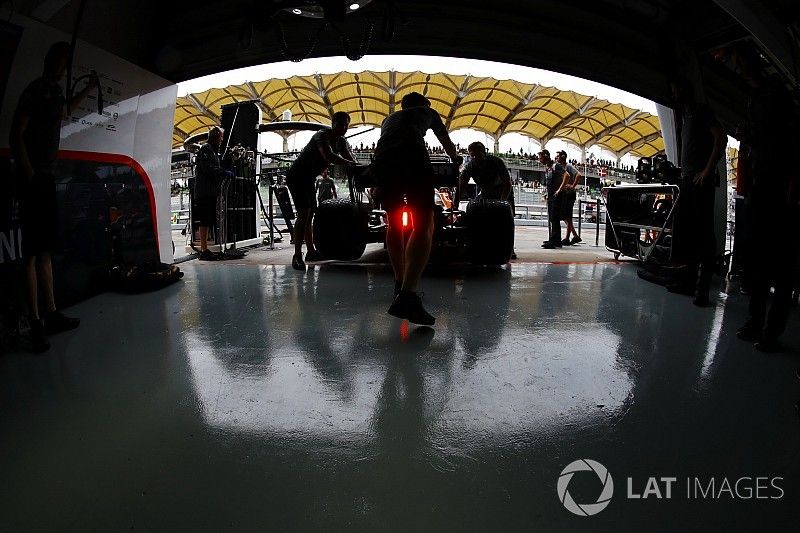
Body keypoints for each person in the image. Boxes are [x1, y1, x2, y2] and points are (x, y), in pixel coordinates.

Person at [9, 41, 98, 352]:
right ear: (51, 61)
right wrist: (29, 173)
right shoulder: (35, 91)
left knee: (45, 251)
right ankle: (34, 323)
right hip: (34, 180)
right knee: (32, 254)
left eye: (66, 62)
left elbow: (66, 111)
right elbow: (16, 134)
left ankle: (50, 313)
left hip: (46, 179)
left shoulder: (55, 93)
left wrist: (88, 89)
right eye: (61, 60)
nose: (63, 67)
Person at [730, 45, 800, 351]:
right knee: (759, 262)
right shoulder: (756, 99)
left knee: (779, 266)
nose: (740, 71)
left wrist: (792, 188)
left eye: (741, 64)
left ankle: (768, 330)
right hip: (763, 187)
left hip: (779, 188)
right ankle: (759, 324)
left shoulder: (777, 98)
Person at [373, 91, 462, 325]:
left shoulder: (388, 119)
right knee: (424, 222)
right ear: (423, 104)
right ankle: (408, 296)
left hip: (383, 162)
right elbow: (444, 140)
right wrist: (455, 158)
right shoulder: (427, 112)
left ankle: (399, 283)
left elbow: (383, 145)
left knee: (393, 221)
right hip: (412, 158)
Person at [668, 76, 726, 307]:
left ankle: (702, 289)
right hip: (688, 180)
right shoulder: (685, 115)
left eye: (675, 90)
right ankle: (689, 283)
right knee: (689, 233)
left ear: (684, 89)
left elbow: (721, 137)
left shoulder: (701, 111)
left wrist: (707, 170)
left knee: (703, 235)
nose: (673, 96)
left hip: (699, 181)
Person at [286, 111, 356, 270]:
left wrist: (357, 167)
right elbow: (329, 156)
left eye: (346, 125)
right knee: (304, 213)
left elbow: (350, 158)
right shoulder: (321, 135)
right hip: (297, 176)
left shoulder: (341, 142)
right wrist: (350, 164)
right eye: (341, 124)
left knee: (310, 214)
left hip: (309, 177)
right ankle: (297, 255)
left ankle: (311, 251)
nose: (344, 128)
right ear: (333, 124)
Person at [459, 141, 517, 258]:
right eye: (472, 155)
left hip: (503, 191)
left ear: (484, 153)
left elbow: (508, 183)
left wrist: (502, 202)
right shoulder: (470, 166)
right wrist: (455, 204)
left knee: (506, 220)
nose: (475, 158)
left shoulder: (496, 162)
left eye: (478, 155)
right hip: (485, 192)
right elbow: (461, 185)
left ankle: (510, 249)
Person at [193, 126, 232, 261]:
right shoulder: (206, 149)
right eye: (221, 137)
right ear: (216, 137)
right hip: (204, 192)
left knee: (209, 219)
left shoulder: (214, 152)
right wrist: (222, 172)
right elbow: (208, 168)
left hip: (210, 191)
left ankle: (206, 248)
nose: (222, 140)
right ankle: (204, 249)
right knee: (204, 219)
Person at [540, 149, 568, 249]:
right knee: (553, 219)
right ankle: (556, 240)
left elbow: (566, 175)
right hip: (551, 196)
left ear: (546, 156)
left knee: (554, 218)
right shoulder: (548, 168)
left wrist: (559, 189)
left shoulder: (555, 166)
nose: (539, 159)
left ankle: (553, 241)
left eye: (541, 157)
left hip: (557, 196)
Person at [556, 150, 582, 245]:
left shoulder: (568, 166)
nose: (556, 158)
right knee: (565, 216)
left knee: (567, 216)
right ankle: (575, 236)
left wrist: (572, 185)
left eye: (558, 156)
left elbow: (578, 175)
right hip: (565, 193)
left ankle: (568, 237)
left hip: (569, 194)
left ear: (562, 157)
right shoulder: (560, 167)